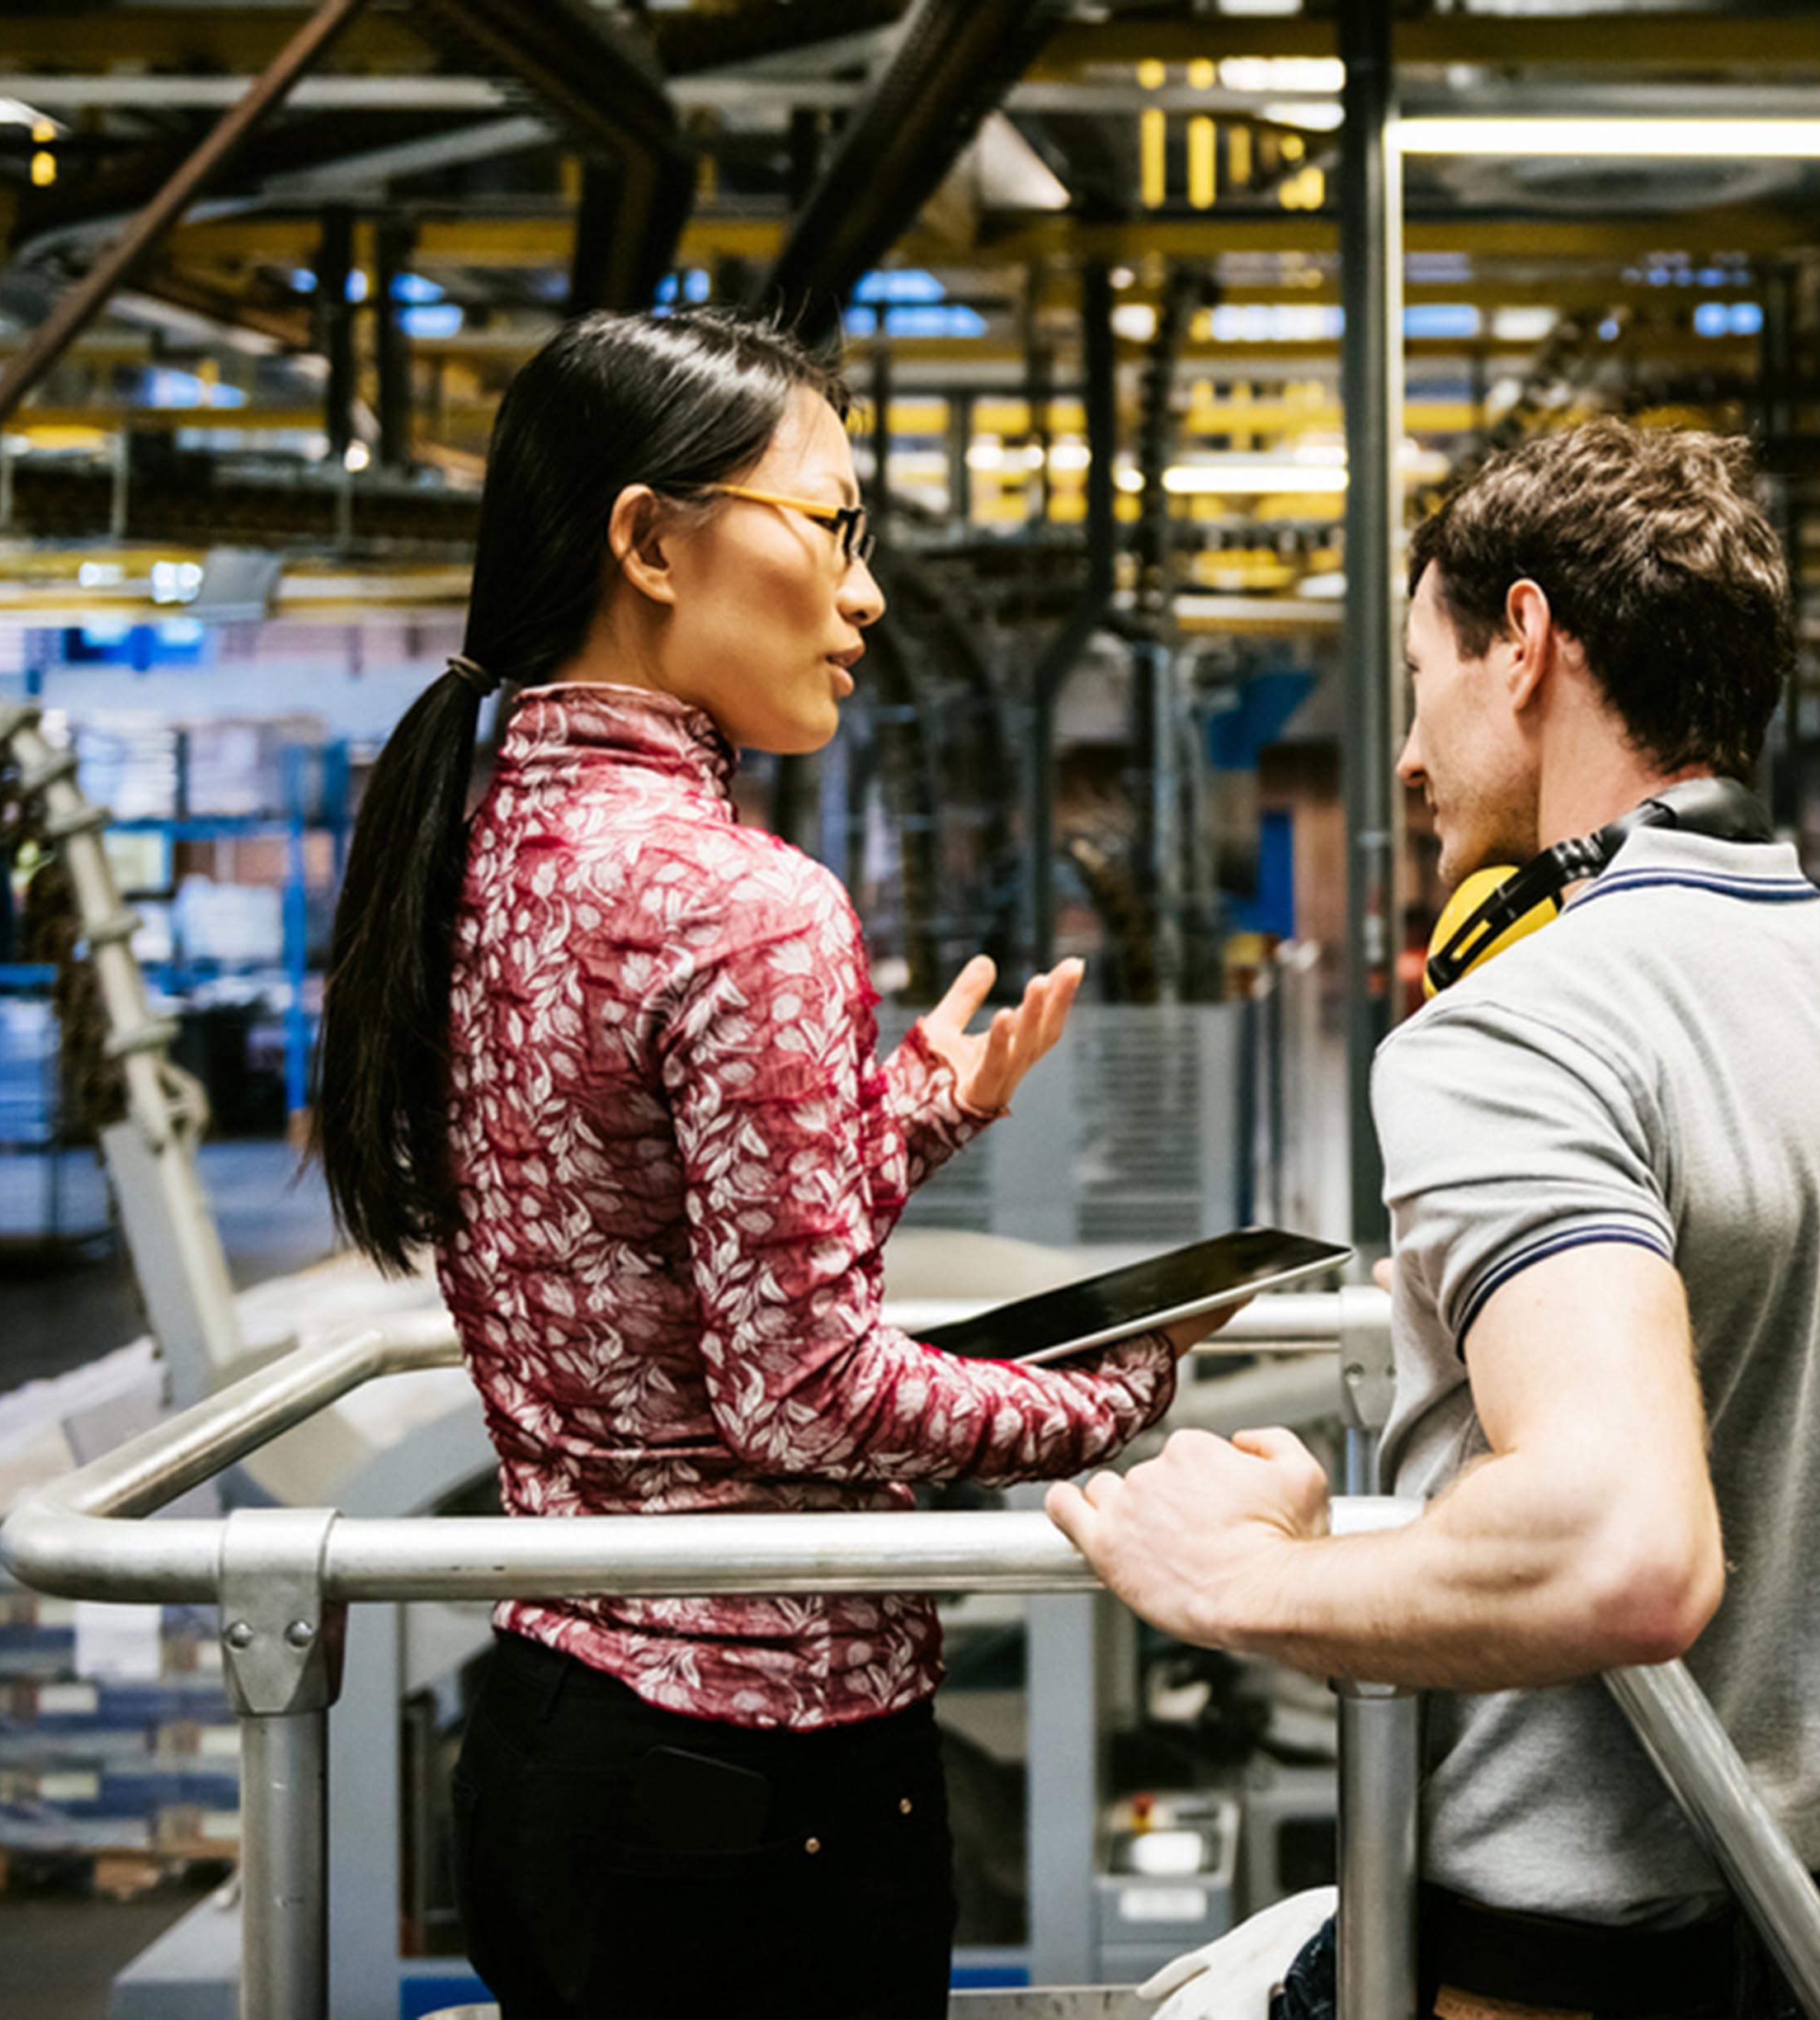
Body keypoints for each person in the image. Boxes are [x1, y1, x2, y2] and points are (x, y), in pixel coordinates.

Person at [314, 308, 1214, 2020]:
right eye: (834, 527)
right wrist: (1109, 1400)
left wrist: (911, 1117)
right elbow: (801, 1392)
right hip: (759, 1806)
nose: (867, 595)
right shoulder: (747, 902)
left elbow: (650, 1269)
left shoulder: (482, 847)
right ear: (650, 541)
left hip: (560, 1752)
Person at [1050, 419, 1820, 2020]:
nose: (1409, 759)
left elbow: (1622, 1544)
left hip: (1550, 1975)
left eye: (1422, 680)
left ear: (1527, 645)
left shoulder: (1516, 1029)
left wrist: (1234, 1581)